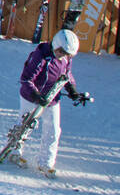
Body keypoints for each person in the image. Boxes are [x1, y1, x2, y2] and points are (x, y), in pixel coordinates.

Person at [6, 29, 92, 177]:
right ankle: (14, 151)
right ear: (56, 45)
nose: (62, 56)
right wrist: (36, 95)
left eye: (66, 54)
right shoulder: (40, 56)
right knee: (25, 125)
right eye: (61, 52)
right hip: (31, 97)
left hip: (52, 98)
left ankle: (46, 162)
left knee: (53, 130)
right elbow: (26, 79)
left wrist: (72, 89)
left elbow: (66, 74)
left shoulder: (65, 59)